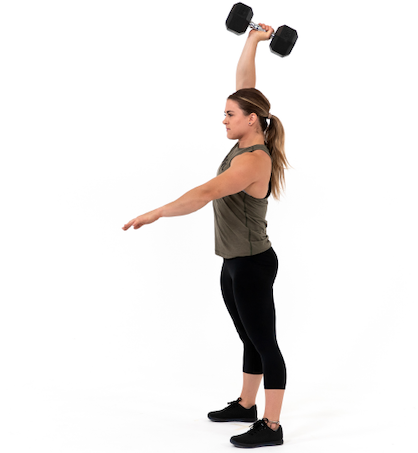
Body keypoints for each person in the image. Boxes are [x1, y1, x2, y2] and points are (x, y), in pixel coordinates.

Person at [122, 23, 291, 448]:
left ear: (250, 120)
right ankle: (246, 405)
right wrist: (252, 40)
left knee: (265, 343)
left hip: (252, 264)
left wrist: (158, 211)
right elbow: (245, 86)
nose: (224, 119)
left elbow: (205, 193)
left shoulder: (252, 161)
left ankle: (272, 427)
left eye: (230, 114)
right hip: (234, 262)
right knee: (248, 337)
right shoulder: (247, 136)